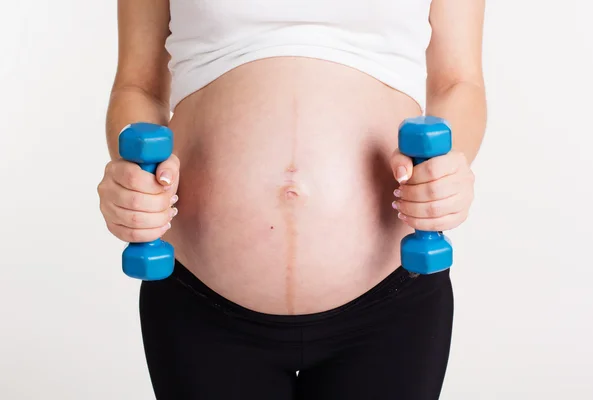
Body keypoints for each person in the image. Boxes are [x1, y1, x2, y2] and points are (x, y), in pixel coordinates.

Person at [97, 0, 486, 398]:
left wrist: (448, 170)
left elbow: (458, 82)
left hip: (391, 295)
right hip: (199, 295)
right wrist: (134, 179)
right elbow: (138, 85)